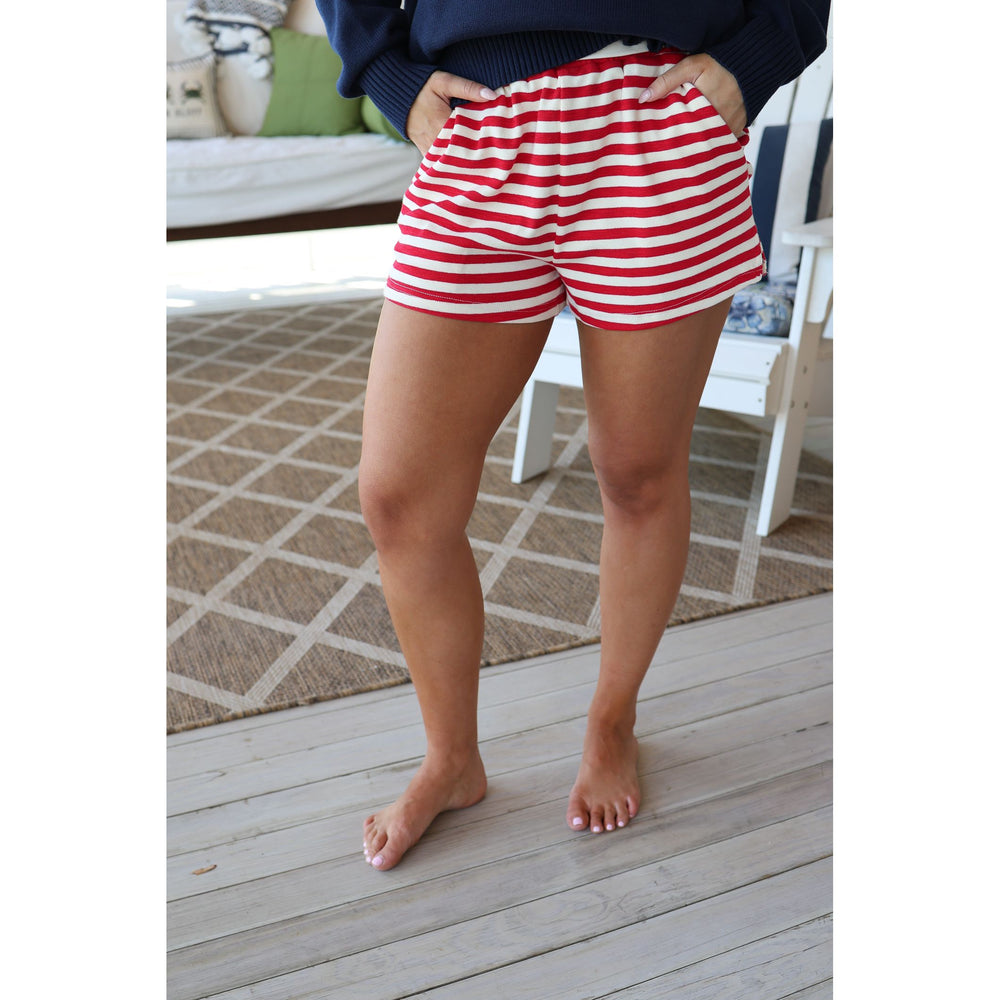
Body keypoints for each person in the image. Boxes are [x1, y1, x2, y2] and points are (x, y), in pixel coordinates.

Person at [315, 0, 830, 871]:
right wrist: (386, 73)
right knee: (398, 494)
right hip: (479, 123)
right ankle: (452, 759)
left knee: (637, 474)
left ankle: (612, 720)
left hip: (656, 114)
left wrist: (758, 55)